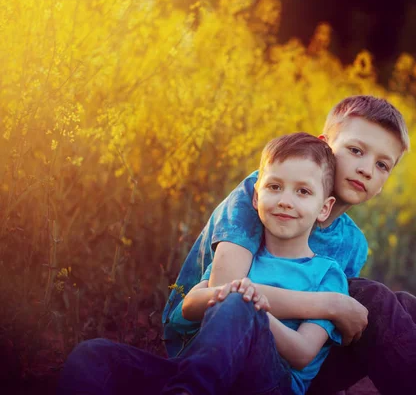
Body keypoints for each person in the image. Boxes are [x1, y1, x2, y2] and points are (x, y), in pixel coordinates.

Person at [164, 95, 416, 395]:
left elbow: (329, 332)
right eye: (355, 150)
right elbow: (224, 293)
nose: (367, 169)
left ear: (384, 182)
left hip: (293, 363)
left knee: (399, 306)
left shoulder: (352, 242)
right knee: (370, 298)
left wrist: (335, 309)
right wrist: (333, 303)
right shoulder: (262, 192)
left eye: (383, 165)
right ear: (324, 146)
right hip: (216, 352)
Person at [57, 133, 347, 394]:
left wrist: (254, 311)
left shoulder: (327, 275)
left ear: (324, 208)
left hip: (269, 384)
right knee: (94, 356)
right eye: (275, 186)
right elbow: (189, 305)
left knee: (237, 304)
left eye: (303, 192)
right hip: (196, 372)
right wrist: (235, 297)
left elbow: (302, 353)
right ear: (256, 197)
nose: (285, 200)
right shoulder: (242, 255)